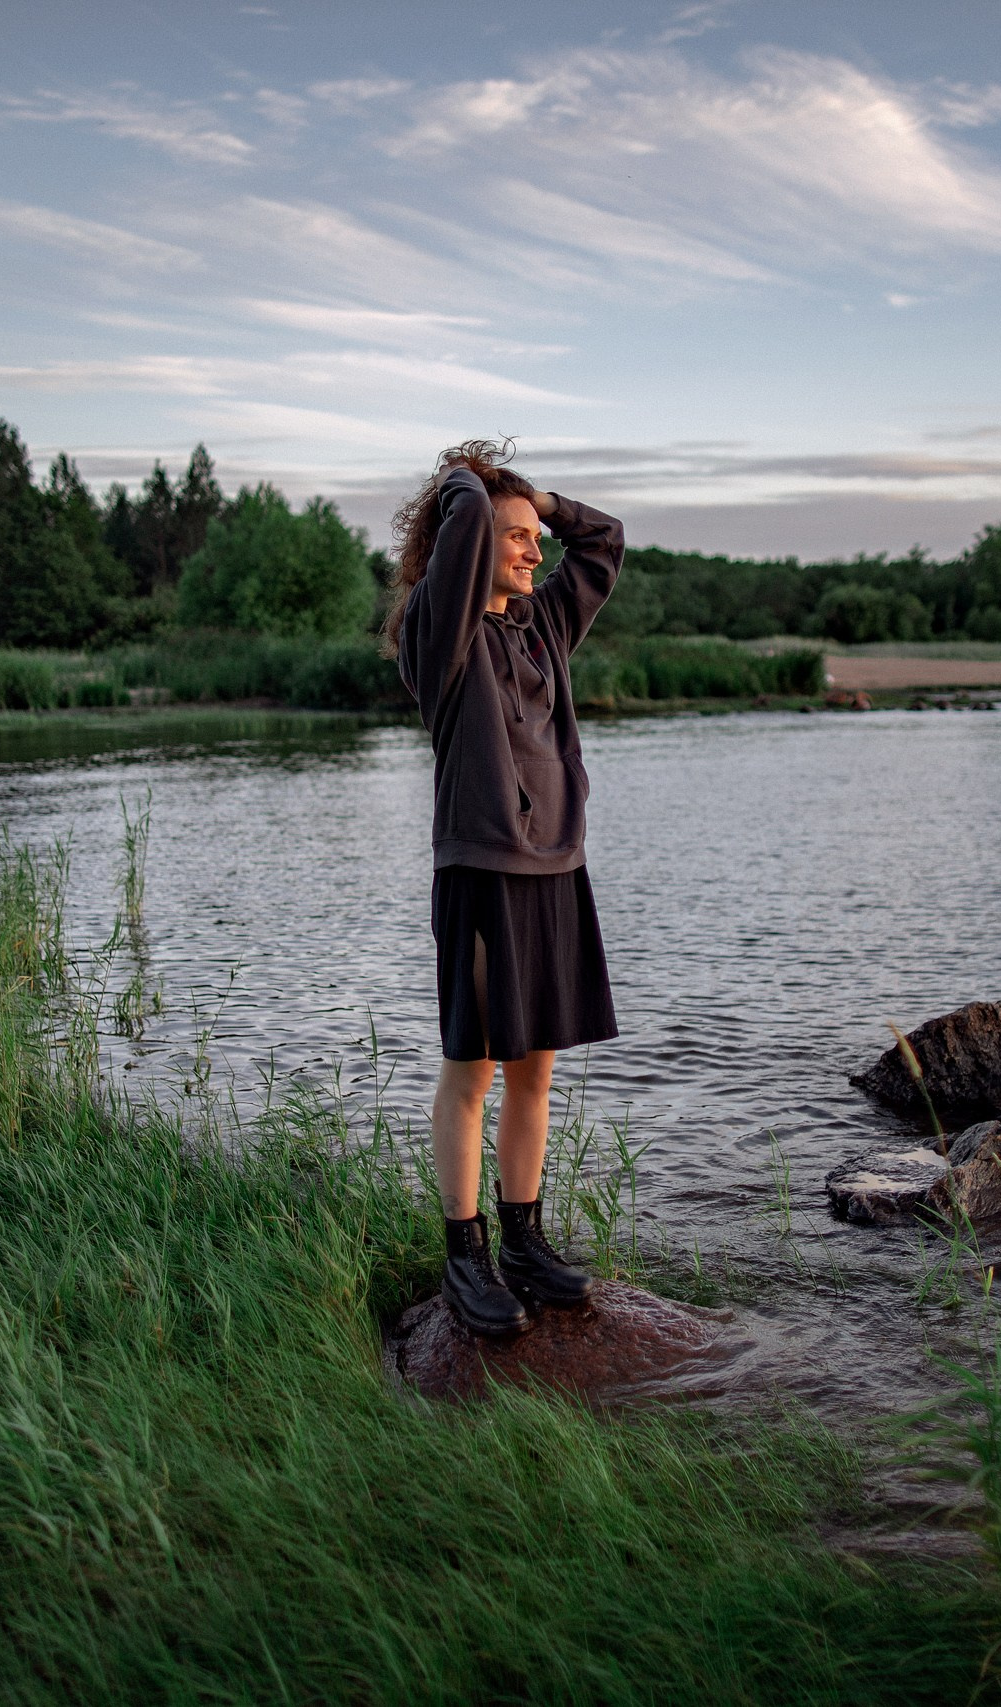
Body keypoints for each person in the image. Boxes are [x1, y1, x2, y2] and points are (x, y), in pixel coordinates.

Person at [386, 440, 623, 1337]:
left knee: (537, 1070)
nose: (534, 551)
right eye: (516, 537)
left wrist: (544, 502)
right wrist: (470, 485)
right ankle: (465, 1255)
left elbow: (604, 543)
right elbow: (466, 525)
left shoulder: (545, 625)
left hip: (557, 869)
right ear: (473, 540)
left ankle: (525, 1241)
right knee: (473, 1069)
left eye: (534, 536)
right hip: (481, 869)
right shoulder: (438, 635)